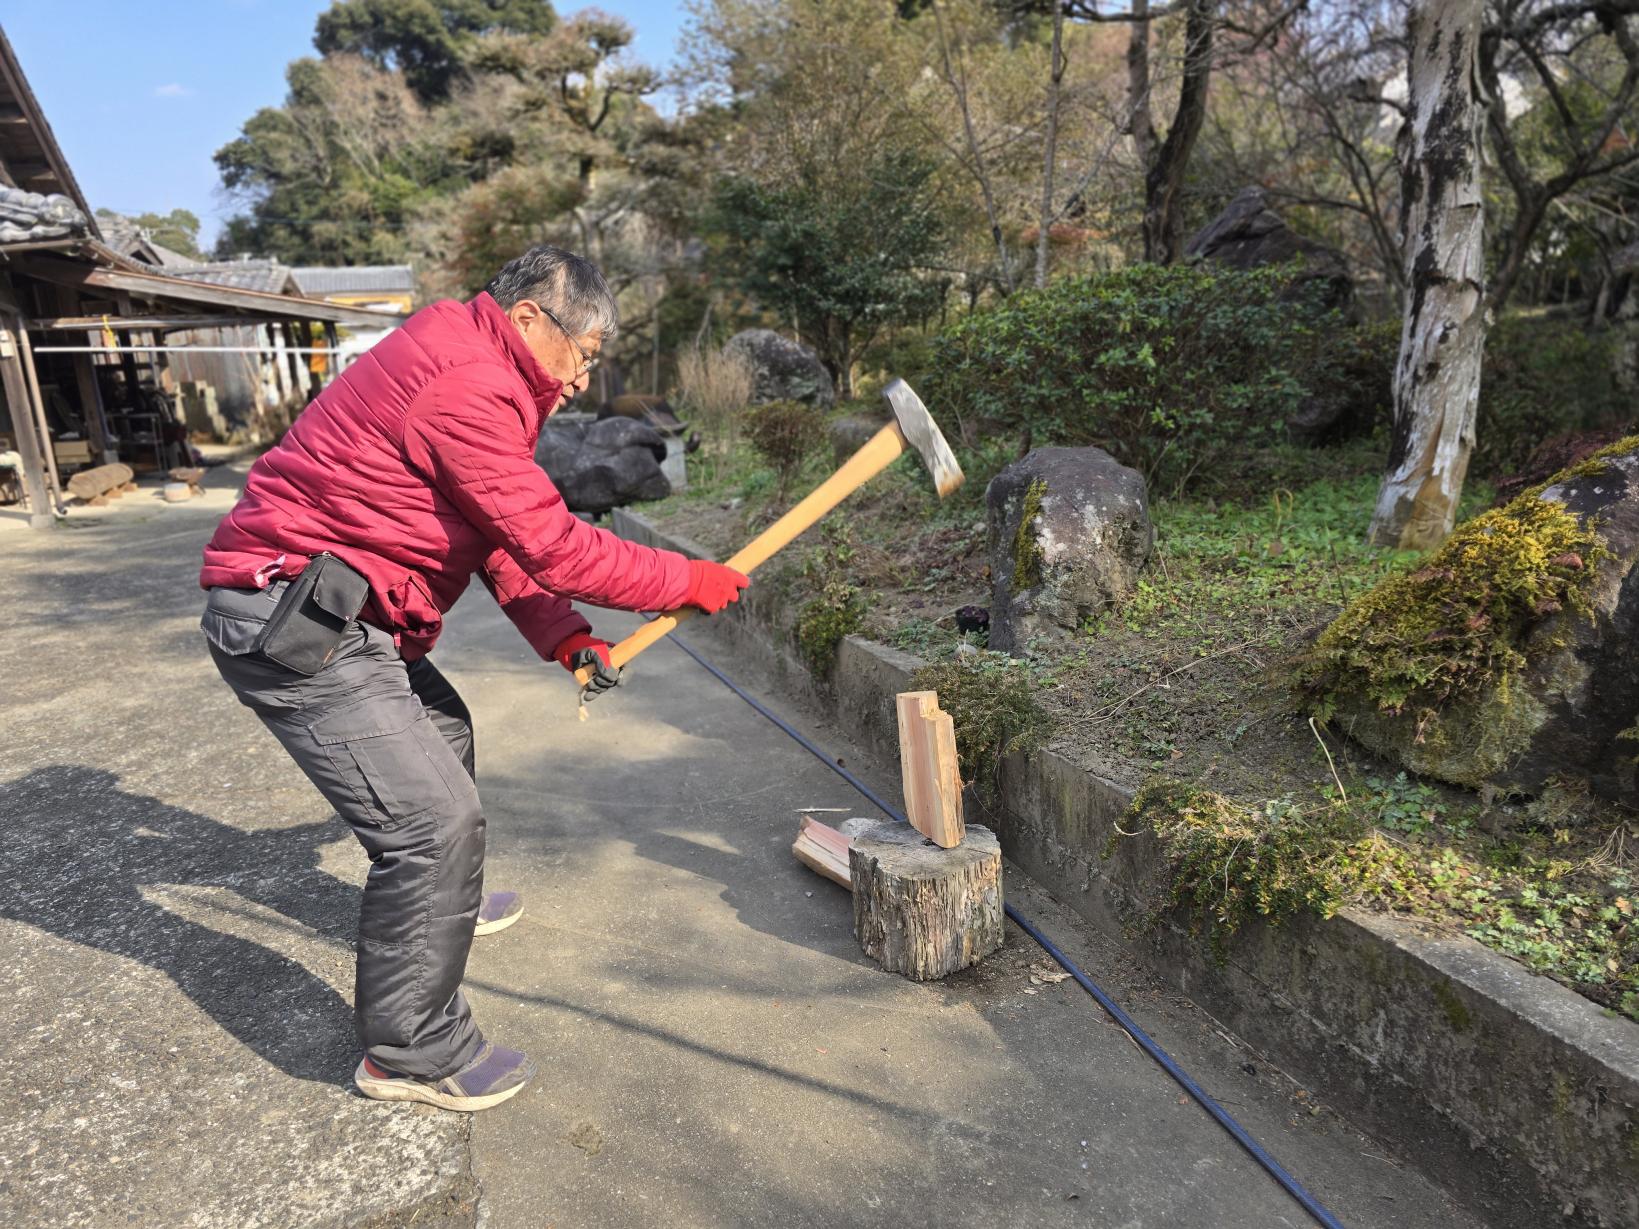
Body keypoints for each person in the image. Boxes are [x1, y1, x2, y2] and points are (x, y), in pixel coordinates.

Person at [198, 246, 748, 1113]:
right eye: (586, 353)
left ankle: (439, 902)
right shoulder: (464, 378)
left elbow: (495, 533)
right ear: (531, 319)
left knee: (443, 731)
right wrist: (686, 579)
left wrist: (562, 632)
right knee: (433, 824)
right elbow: (553, 543)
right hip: (292, 616)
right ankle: (410, 1052)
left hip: (346, 607)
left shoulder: (475, 361)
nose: (580, 380)